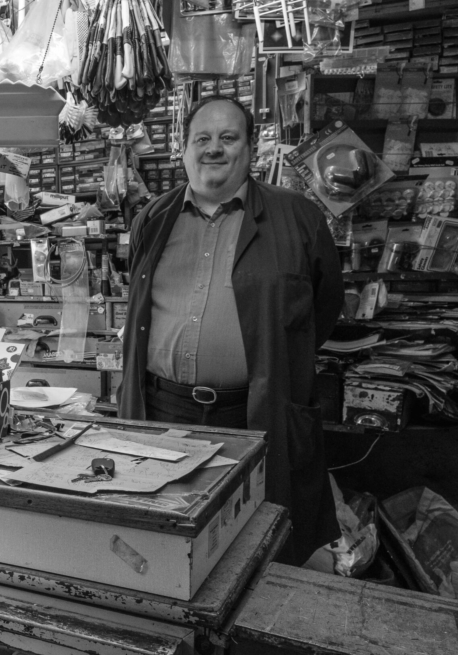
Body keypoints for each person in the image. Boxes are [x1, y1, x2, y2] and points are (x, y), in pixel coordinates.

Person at [118, 96, 344, 564]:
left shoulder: (298, 217)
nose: (213, 149)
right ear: (183, 149)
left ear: (252, 146)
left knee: (255, 546)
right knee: (165, 542)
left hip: (254, 417)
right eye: (202, 138)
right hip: (162, 414)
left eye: (228, 137)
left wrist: (273, 355)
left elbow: (323, 308)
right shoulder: (152, 218)